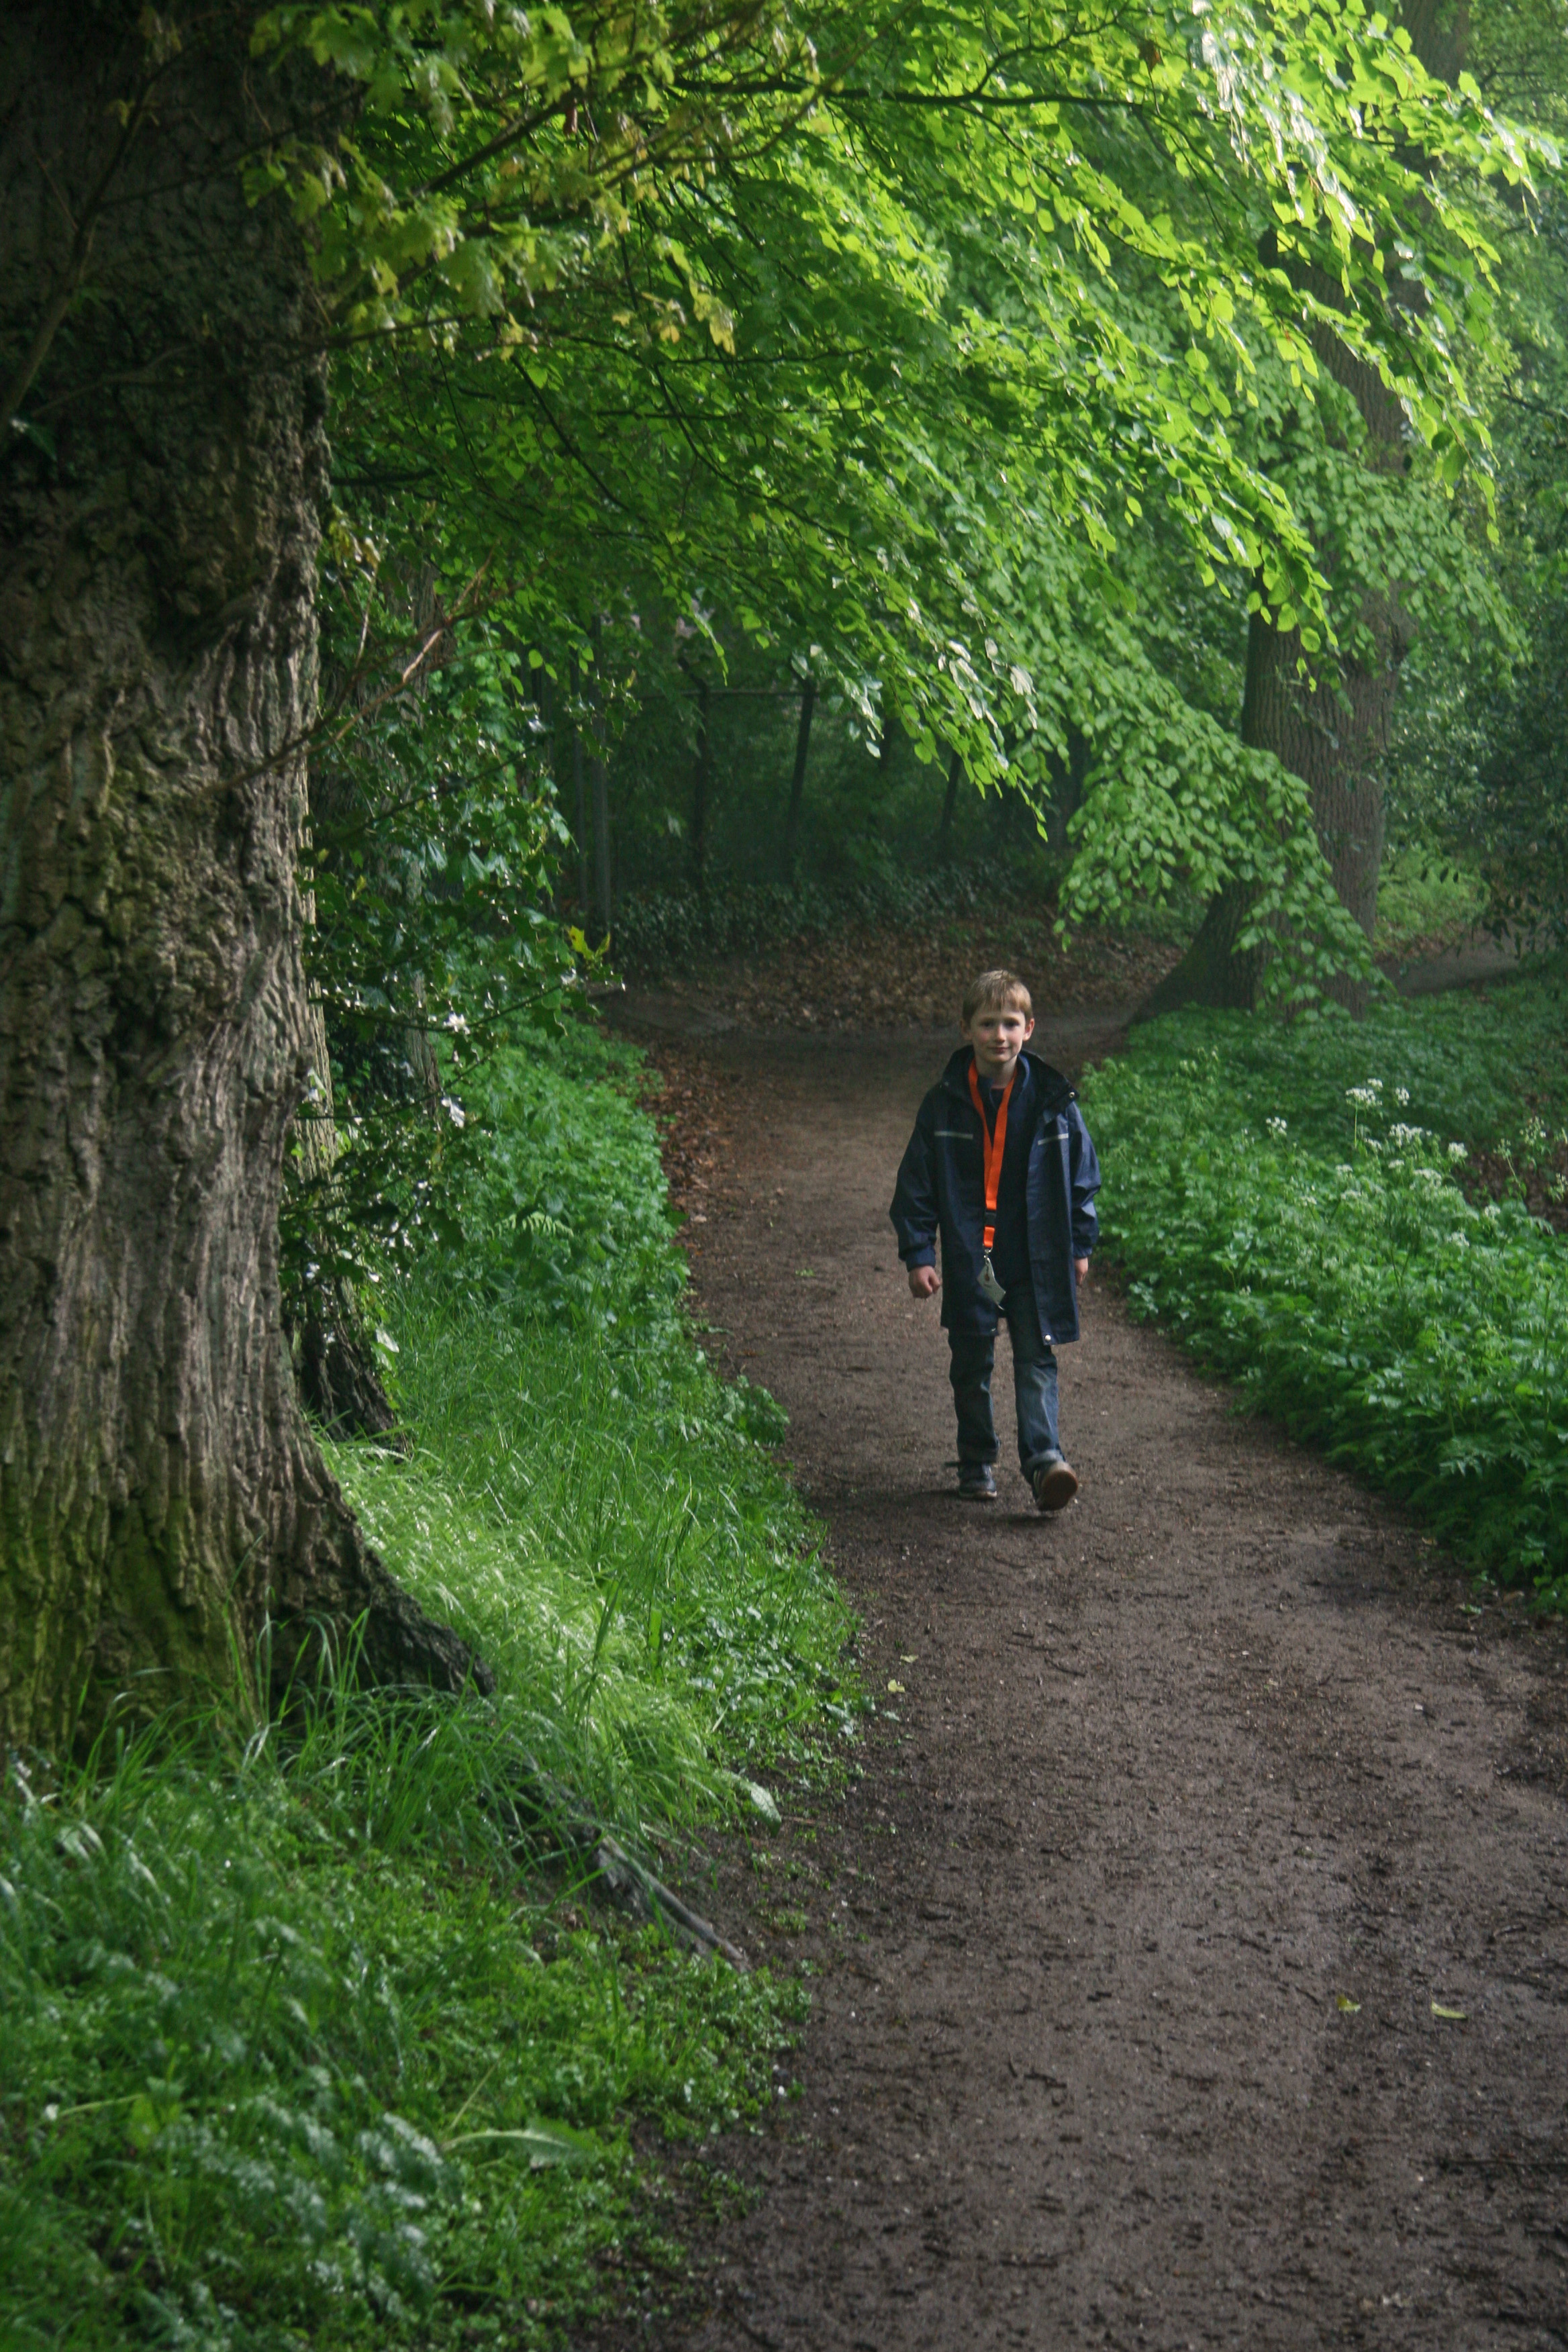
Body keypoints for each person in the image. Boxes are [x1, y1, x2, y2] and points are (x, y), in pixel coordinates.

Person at [890, 969, 1101, 1510]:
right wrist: (919, 1255)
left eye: (1010, 1023)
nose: (999, 1035)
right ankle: (976, 1461)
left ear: (1029, 1029)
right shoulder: (943, 1104)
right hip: (973, 1261)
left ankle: (1045, 1463)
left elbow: (1082, 1179)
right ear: (967, 1029)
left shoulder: (1054, 1102)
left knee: (1036, 1358)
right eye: (987, 1024)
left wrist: (1080, 1246)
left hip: (1034, 1259)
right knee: (971, 1363)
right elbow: (916, 1186)